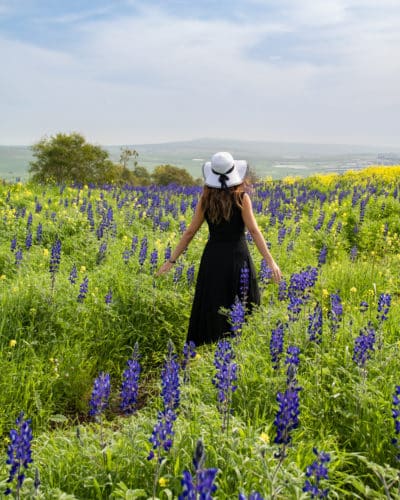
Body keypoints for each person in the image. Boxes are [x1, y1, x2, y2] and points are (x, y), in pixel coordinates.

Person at [156, 151, 282, 345]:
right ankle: (238, 349)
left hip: (213, 259)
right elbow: (254, 231)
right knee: (242, 301)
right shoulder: (242, 198)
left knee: (213, 303)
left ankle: (209, 349)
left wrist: (171, 261)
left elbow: (190, 232)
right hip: (238, 258)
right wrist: (270, 261)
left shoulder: (206, 199)